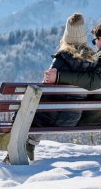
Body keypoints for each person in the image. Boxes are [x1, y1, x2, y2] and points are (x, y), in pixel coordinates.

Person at [25, 13, 97, 160]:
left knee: (29, 103)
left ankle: (26, 144)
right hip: (75, 117)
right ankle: (28, 144)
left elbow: (44, 88)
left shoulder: (62, 58)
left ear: (66, 34)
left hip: (54, 116)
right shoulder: (91, 60)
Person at [44, 20, 101, 126]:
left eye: (94, 41)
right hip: (100, 115)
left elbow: (94, 81)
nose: (95, 45)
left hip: (85, 116)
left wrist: (59, 76)